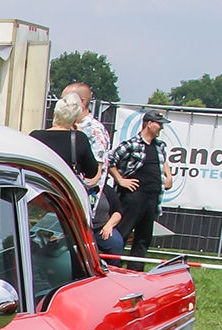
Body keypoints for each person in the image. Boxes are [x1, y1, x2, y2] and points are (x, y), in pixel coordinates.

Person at [109, 110, 174, 269]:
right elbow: (109, 160)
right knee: (122, 234)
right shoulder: (131, 144)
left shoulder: (159, 146)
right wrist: (120, 180)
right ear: (149, 124)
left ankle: (136, 270)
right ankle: (113, 266)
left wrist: (169, 176)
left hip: (152, 198)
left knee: (144, 238)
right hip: (133, 197)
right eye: (159, 124)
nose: (161, 128)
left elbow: (163, 160)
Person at [30, 94, 99, 187]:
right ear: (75, 119)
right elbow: (92, 172)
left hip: (38, 188)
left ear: (54, 113)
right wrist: (79, 133)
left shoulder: (35, 136)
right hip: (65, 193)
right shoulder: (79, 139)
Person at [62, 82, 110, 193]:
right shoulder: (73, 126)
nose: (62, 104)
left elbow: (95, 175)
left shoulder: (94, 130)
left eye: (66, 100)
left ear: (82, 102)